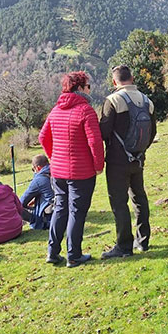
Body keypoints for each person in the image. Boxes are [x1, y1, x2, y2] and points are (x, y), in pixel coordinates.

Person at [38, 71, 104, 268]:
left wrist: (53, 156)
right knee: (77, 212)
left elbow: (43, 137)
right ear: (80, 88)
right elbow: (95, 141)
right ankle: (74, 255)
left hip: (57, 171)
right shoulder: (86, 110)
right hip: (81, 173)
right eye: (88, 86)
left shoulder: (55, 110)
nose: (90, 90)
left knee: (60, 208)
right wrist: (98, 165)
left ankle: (52, 251)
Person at [99, 64, 157, 258]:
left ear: (114, 82)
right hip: (138, 159)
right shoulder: (147, 101)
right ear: (132, 79)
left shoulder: (113, 100)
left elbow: (104, 132)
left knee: (119, 202)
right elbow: (153, 132)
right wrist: (140, 152)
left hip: (117, 161)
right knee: (139, 198)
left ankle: (124, 246)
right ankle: (143, 241)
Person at [20, 154, 53, 230]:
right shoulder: (56, 172)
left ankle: (34, 221)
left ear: (38, 168)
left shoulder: (38, 180)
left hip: (47, 218)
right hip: (64, 212)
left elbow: (21, 202)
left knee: (16, 207)